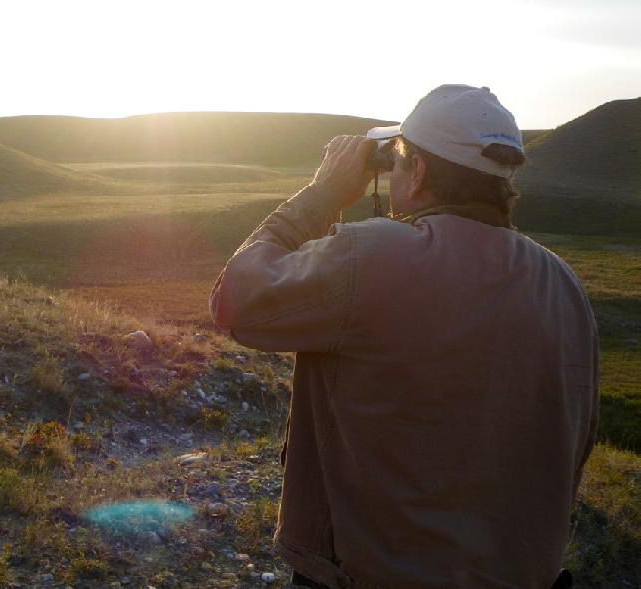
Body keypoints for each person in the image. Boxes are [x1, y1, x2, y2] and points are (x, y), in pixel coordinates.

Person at [209, 84, 598, 588]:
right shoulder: (562, 283)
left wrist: (324, 193)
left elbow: (234, 302)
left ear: (416, 172)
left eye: (397, 161)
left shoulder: (376, 259)